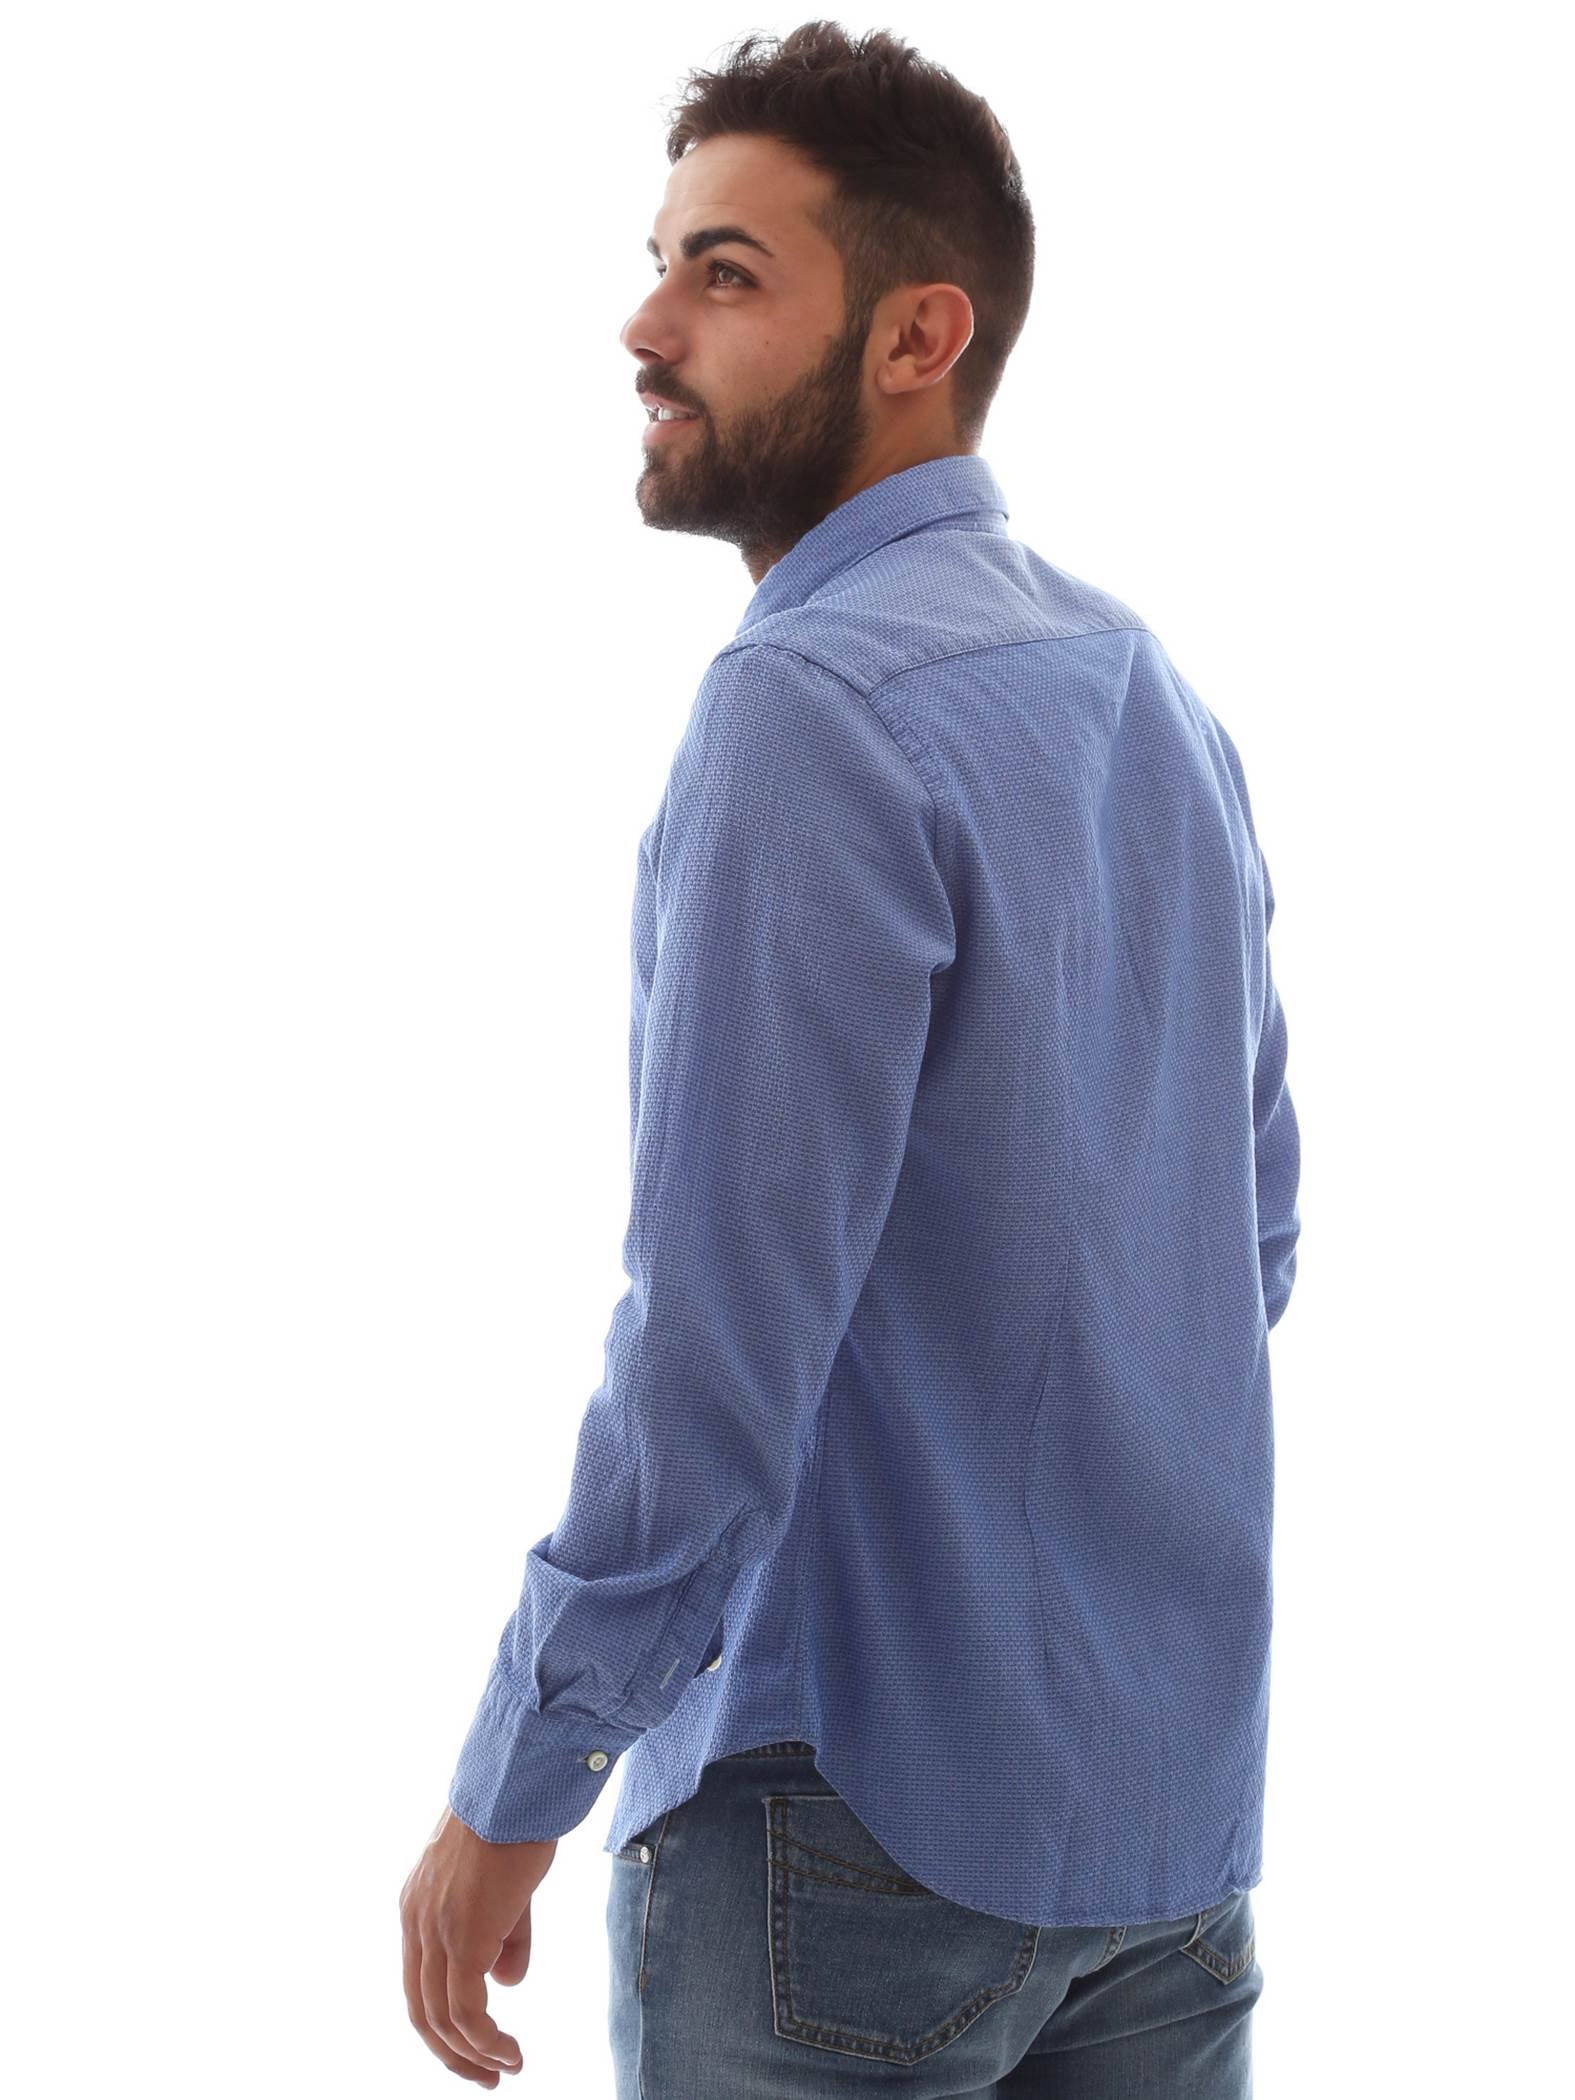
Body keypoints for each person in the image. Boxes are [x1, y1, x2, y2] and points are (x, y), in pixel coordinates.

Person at [399, 22, 1300, 2096]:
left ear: (917, 334)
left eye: (724, 274)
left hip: (846, 1841)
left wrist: (519, 1775)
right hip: (1167, 1841)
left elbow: (710, 1355)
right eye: (658, 263)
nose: (647, 327)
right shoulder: (1148, 694)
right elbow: (1242, 1244)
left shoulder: (804, 708)